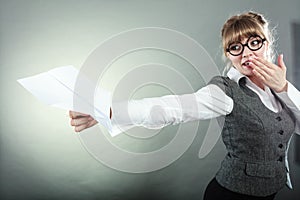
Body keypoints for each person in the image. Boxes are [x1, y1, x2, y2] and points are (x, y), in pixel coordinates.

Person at [69, 11, 300, 200]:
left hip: (270, 192)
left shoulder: (278, 86)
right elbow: (171, 108)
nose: (246, 53)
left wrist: (283, 88)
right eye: (235, 47)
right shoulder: (225, 92)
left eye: (254, 42)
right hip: (232, 194)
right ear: (228, 55)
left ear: (266, 44)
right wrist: (107, 112)